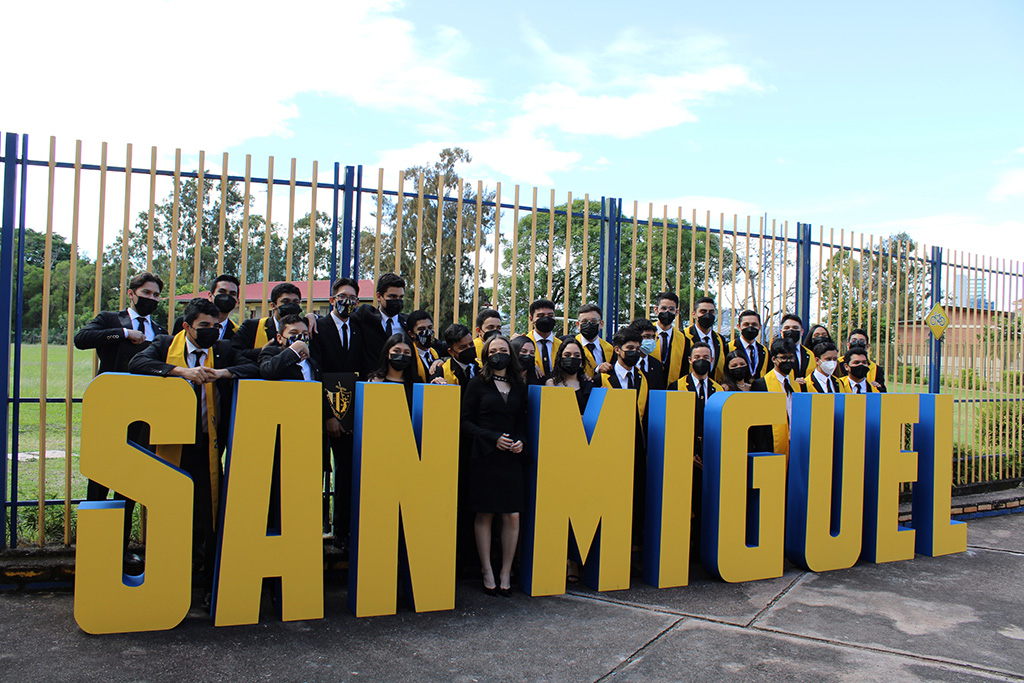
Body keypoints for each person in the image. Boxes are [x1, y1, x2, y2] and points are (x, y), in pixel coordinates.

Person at [128, 297, 258, 608]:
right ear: (187, 327)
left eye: (215, 326)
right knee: (169, 515)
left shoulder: (223, 350)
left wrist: (223, 374)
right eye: (204, 327)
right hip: (169, 443)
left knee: (210, 515)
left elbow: (253, 366)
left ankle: (211, 586)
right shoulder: (163, 344)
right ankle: (165, 584)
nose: (212, 331)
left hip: (206, 444)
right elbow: (137, 364)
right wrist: (180, 372)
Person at [74, 271, 168, 572]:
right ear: (131, 293)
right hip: (111, 411)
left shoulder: (160, 329)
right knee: (100, 483)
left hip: (142, 416)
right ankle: (93, 550)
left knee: (129, 484)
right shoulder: (109, 320)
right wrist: (124, 335)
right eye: (146, 293)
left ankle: (121, 548)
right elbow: (81, 339)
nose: (151, 299)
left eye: (155, 295)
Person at [460, 336, 528, 597]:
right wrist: (492, 438)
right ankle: (487, 570)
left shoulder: (519, 385)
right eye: (493, 350)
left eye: (503, 350)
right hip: (485, 456)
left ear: (510, 354)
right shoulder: (477, 383)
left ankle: (505, 571)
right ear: (486, 354)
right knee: (485, 514)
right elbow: (465, 421)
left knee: (512, 515)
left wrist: (521, 441)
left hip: (511, 456)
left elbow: (522, 422)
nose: (498, 354)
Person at [310, 277, 362, 554]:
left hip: (350, 413)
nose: (348, 302)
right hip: (319, 412)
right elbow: (314, 373)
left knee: (346, 475)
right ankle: (310, 529)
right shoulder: (317, 327)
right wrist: (327, 415)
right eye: (343, 296)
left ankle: (341, 531)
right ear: (331, 299)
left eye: (353, 298)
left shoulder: (360, 327)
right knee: (311, 474)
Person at [596, 328, 649, 543]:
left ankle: (629, 546)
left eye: (637, 349)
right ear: (617, 350)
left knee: (634, 499)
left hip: (636, 447)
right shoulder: (602, 377)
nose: (634, 352)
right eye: (630, 349)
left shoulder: (642, 377)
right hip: (609, 447)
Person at [669, 340, 722, 552]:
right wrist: (688, 453)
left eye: (706, 358)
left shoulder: (718, 389)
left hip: (710, 457)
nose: (702, 361)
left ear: (712, 360)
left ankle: (703, 548)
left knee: (706, 504)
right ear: (690, 360)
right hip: (686, 457)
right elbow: (673, 423)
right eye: (697, 358)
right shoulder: (677, 387)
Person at [750, 338, 807, 456]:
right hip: (771, 445)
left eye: (791, 358)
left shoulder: (796, 384)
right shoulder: (761, 384)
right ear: (774, 359)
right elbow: (758, 424)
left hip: (796, 442)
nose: (788, 361)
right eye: (783, 358)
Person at [351, 273, 408, 377]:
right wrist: (312, 317)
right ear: (379, 296)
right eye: (392, 296)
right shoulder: (366, 315)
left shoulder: (408, 323)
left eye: (401, 297)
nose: (397, 301)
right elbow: (340, 321)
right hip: (371, 382)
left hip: (400, 383)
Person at [231, 282, 303, 362]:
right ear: (273, 305)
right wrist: (262, 350)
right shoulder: (252, 326)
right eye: (285, 302)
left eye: (295, 302)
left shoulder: (306, 329)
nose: (291, 305)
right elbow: (234, 352)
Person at [172, 274, 240, 340]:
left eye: (232, 294)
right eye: (222, 292)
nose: (227, 297)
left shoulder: (238, 333)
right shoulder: (185, 322)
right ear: (210, 296)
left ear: (237, 302)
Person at [366, 333, 420, 407]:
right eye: (396, 351)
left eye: (406, 352)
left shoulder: (416, 385)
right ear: (387, 353)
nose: (401, 355)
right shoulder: (375, 381)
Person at [682, 296, 726, 382]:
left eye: (711, 312)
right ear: (694, 314)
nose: (707, 315)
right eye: (703, 312)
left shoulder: (720, 339)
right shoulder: (683, 336)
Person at [545, 337, 594, 414]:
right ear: (560, 358)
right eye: (567, 355)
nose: (572, 358)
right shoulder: (552, 383)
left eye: (577, 355)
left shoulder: (588, 386)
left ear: (581, 361)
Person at [652, 291, 689, 387]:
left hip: (672, 389)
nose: (667, 312)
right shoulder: (644, 334)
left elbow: (685, 369)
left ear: (677, 312)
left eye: (671, 309)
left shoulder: (684, 340)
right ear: (656, 310)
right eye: (663, 308)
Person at [436, 323, 480, 391]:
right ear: (451, 352)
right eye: (463, 347)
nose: (469, 348)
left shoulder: (481, 367)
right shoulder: (442, 372)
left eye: (471, 344)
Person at [727, 309, 768, 380]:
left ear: (760, 327)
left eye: (754, 324)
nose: (750, 327)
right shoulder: (728, 348)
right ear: (739, 327)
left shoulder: (764, 350)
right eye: (746, 324)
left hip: (759, 389)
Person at [405, 309, 444, 382]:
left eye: (430, 328)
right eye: (421, 329)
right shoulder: (409, 356)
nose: (428, 332)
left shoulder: (436, 353)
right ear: (411, 334)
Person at [525, 299, 561, 378]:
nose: (546, 319)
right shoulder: (523, 344)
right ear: (531, 319)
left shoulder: (561, 345)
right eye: (540, 316)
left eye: (550, 316)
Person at [627, 318, 666, 391]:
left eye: (653, 337)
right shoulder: (623, 361)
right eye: (647, 336)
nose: (651, 340)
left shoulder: (657, 365)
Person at [575, 304, 613, 379]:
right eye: (584, 321)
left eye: (594, 321)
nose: (589, 324)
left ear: (601, 324)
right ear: (578, 325)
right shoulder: (571, 345)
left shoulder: (609, 349)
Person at [778, 313, 816, 381]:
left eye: (795, 328)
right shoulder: (775, 353)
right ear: (781, 332)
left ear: (801, 332)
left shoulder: (810, 354)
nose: (791, 330)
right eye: (787, 328)